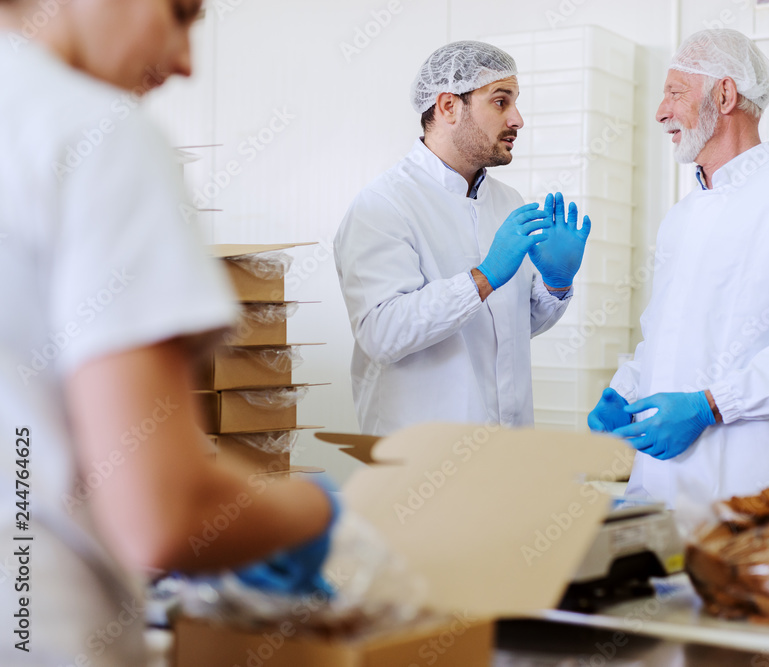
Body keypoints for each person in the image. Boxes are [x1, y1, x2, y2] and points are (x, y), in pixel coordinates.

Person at [0, 2, 337, 665]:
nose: (186, 62)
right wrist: (318, 511)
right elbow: (163, 514)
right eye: (180, 13)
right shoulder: (93, 133)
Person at [589, 29, 769, 506]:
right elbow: (663, 336)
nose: (660, 111)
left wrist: (710, 406)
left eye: (674, 92)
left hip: (754, 489)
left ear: (725, 93)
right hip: (667, 487)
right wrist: (623, 393)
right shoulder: (683, 216)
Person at [335, 41, 591, 435]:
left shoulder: (507, 203)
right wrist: (484, 277)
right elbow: (381, 334)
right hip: (421, 465)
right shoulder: (383, 205)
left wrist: (556, 285)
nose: (518, 119)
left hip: (507, 453)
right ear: (448, 106)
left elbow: (510, 329)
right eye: (501, 102)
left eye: (516, 103)